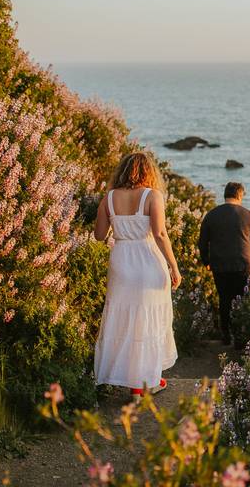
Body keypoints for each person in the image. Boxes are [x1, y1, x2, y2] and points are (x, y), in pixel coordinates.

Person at [93, 152, 181, 399]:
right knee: (148, 321)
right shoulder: (153, 196)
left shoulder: (108, 198)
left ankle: (134, 382)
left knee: (123, 320)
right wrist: (173, 266)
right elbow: (160, 234)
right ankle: (144, 383)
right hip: (148, 261)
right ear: (148, 172)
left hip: (121, 262)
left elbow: (99, 236)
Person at [197, 181, 250, 346]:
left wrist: (206, 261)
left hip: (219, 265)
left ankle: (226, 336)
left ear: (225, 195)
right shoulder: (249, 215)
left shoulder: (211, 215)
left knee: (224, 299)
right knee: (241, 299)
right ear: (240, 195)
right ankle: (240, 338)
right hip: (244, 265)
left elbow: (202, 243)